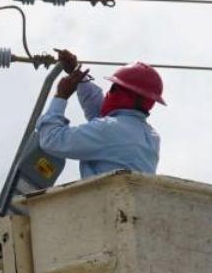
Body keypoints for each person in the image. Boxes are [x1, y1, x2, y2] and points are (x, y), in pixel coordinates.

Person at [35, 49, 164, 178]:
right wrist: (77, 75)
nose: (109, 93)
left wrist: (61, 96)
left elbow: (51, 139)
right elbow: (102, 114)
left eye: (113, 88)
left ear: (124, 95)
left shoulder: (110, 129)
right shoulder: (151, 138)